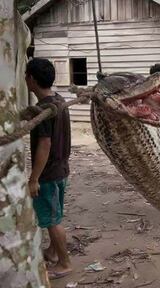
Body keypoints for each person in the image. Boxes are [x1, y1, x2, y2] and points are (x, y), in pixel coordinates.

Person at [25, 58, 72, 279]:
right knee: (55, 213)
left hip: (49, 173)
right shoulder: (59, 101)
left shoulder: (43, 110)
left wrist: (34, 178)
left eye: (26, 76)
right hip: (61, 169)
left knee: (53, 221)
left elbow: (45, 144)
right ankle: (53, 253)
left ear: (32, 79)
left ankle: (65, 263)